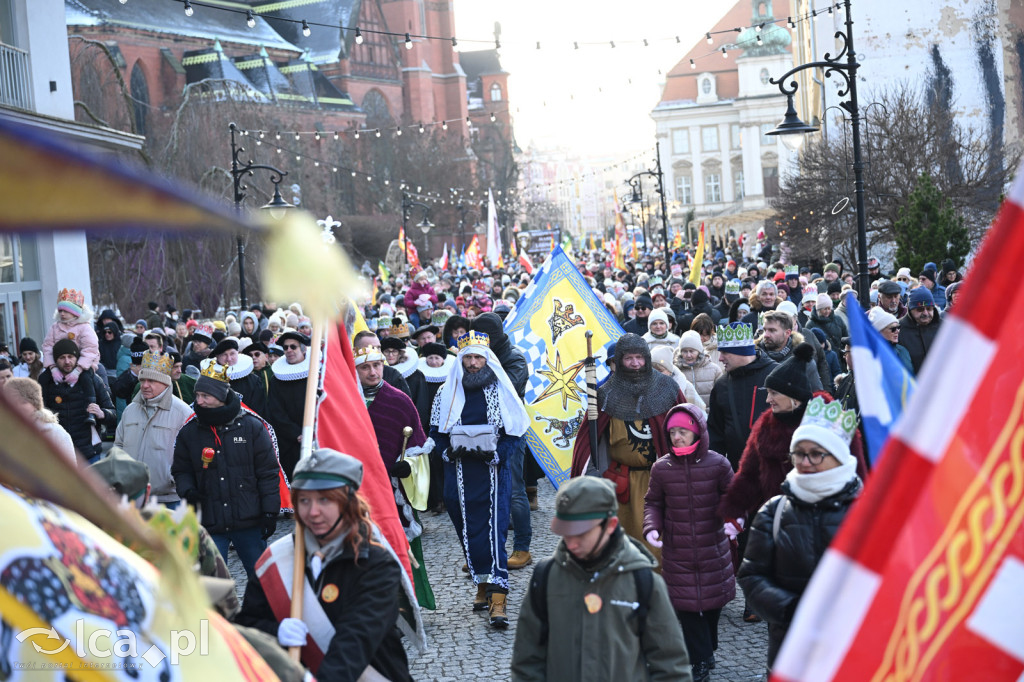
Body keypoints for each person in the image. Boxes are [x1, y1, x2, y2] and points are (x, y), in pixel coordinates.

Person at [235, 449, 413, 681]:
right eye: (304, 501)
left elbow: (355, 639)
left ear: (348, 502)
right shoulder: (277, 559)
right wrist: (275, 632)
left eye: (325, 500)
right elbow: (246, 626)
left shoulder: (377, 564)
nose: (313, 512)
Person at [510, 476, 692, 681]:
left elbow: (671, 667)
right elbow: (526, 663)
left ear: (611, 525)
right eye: (566, 532)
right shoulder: (545, 577)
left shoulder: (644, 582)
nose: (572, 543)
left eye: (581, 533)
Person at [738, 396, 863, 671]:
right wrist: (792, 609)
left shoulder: (867, 513)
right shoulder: (775, 511)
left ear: (839, 457)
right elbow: (751, 575)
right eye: (798, 453)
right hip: (791, 651)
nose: (805, 461)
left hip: (852, 650)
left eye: (816, 453)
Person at [430, 330, 529, 627]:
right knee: (468, 532)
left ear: (488, 360)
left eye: (478, 357)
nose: (473, 363)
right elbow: (436, 433)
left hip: (493, 472)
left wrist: (496, 454)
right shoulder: (445, 392)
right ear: (461, 360)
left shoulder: (502, 390)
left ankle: (499, 599)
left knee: (494, 532)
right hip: (457, 475)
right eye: (468, 357)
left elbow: (516, 431)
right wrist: (449, 450)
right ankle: (482, 583)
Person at [570, 333, 684, 557]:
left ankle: (660, 585)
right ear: (619, 361)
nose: (635, 363)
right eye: (629, 358)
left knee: (659, 540)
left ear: (647, 358)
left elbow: (687, 427)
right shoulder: (604, 395)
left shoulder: (667, 389)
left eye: (639, 358)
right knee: (623, 541)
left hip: (660, 477)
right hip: (621, 481)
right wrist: (589, 474)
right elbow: (587, 441)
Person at [644, 405, 734, 682]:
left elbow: (733, 495)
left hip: (712, 548)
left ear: (697, 432)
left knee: (711, 605)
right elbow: (653, 502)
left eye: (682, 431)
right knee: (688, 607)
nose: (676, 437)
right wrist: (652, 526)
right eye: (672, 432)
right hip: (678, 550)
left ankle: (707, 650)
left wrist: (734, 519)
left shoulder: (718, 464)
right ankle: (698, 661)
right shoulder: (662, 468)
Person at [172, 361, 280, 583]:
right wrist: (189, 491)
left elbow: (268, 472)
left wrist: (270, 512)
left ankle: (261, 618)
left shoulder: (251, 427)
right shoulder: (190, 432)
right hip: (210, 522)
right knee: (212, 584)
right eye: (197, 395)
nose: (198, 401)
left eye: (205, 396)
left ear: (221, 396)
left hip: (249, 521)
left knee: (263, 581)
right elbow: (181, 470)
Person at [354, 343, 435, 609]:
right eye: (365, 367)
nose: (373, 372)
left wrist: (407, 465)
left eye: (376, 365)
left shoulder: (398, 399)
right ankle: (375, 605)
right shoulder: (348, 402)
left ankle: (412, 601)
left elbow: (418, 449)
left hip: (394, 487)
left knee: (402, 542)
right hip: (359, 486)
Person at [115, 351, 192, 506]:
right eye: (142, 380)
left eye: (151, 380)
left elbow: (191, 454)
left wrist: (173, 479)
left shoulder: (183, 413)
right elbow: (118, 446)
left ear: (165, 383)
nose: (144, 385)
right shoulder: (130, 410)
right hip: (133, 497)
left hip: (169, 499)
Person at [706, 322, 776, 470]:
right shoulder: (721, 385)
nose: (720, 358)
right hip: (737, 473)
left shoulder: (776, 376)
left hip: (774, 470)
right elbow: (715, 435)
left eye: (725, 352)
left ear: (741, 352)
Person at [40, 338, 115, 464]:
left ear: (77, 358)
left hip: (88, 454)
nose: (67, 361)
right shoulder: (46, 382)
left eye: (70, 356)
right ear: (55, 360)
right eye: (62, 357)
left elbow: (113, 413)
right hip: (57, 454)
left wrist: (102, 413)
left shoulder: (92, 379)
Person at [264, 330, 311, 480]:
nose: (289, 350)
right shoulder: (276, 379)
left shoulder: (317, 373)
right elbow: (275, 411)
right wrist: (296, 433)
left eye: (293, 347)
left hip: (317, 437)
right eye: (285, 348)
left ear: (303, 349)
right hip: (289, 442)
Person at [5, 377, 76, 463]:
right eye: (13, 402)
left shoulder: (54, 432)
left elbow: (69, 469)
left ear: (35, 404)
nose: (17, 406)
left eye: (23, 402)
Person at [673, 330, 723, 407]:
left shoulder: (714, 370)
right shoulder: (675, 371)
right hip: (685, 416)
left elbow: (721, 397)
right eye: (684, 351)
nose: (688, 355)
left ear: (699, 351)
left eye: (691, 351)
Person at [898, 288, 942, 374]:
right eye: (920, 309)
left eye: (929, 308)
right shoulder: (897, 329)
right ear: (910, 310)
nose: (925, 313)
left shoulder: (944, 328)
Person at [868, 307, 913, 374]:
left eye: (898, 327)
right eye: (893, 329)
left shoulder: (902, 350)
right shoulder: (871, 354)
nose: (897, 331)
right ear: (879, 332)